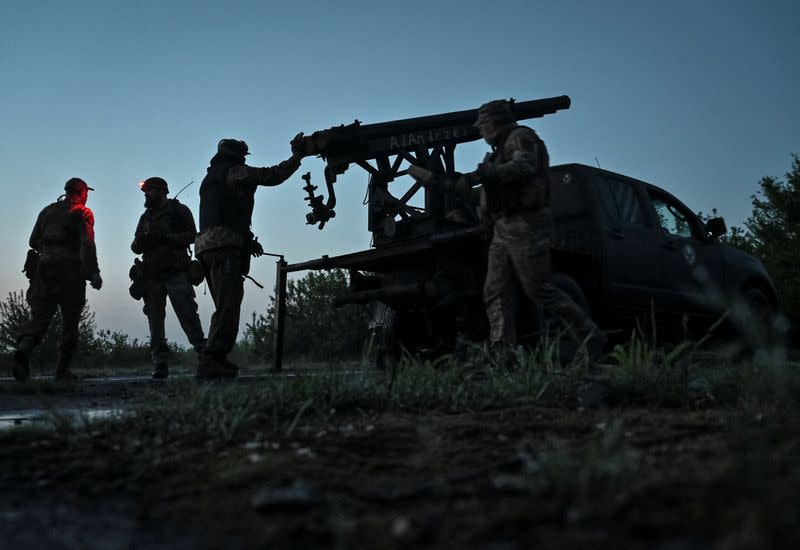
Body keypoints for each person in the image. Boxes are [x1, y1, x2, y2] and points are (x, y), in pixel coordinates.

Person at [469, 100, 602, 362]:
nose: (480, 130)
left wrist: (490, 173)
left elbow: (524, 166)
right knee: (495, 290)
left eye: (483, 124)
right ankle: (502, 352)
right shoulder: (495, 152)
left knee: (538, 289)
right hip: (502, 227)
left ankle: (588, 335)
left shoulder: (520, 137)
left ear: (494, 122)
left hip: (525, 224)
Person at [194, 136, 310, 378]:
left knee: (223, 305)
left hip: (206, 247)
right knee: (229, 305)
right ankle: (213, 358)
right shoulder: (235, 171)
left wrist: (248, 240)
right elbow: (273, 175)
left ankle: (213, 358)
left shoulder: (211, 177)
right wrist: (297, 157)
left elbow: (225, 210)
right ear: (238, 156)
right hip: (224, 246)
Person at [13, 177, 103, 382]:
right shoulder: (83, 213)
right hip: (69, 273)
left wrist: (49, 251)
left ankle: (24, 350)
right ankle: (62, 371)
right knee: (70, 322)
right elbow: (87, 244)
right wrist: (94, 273)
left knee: (39, 319)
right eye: (86, 193)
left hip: (43, 272)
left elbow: (33, 240)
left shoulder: (47, 211)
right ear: (81, 193)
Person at [131, 176, 206, 379]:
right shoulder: (145, 217)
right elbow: (134, 246)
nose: (146, 195)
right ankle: (160, 363)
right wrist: (144, 241)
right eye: (145, 191)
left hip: (176, 272)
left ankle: (204, 356)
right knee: (155, 321)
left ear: (161, 191)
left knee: (188, 315)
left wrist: (166, 236)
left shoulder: (179, 211)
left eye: (150, 191)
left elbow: (192, 235)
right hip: (152, 276)